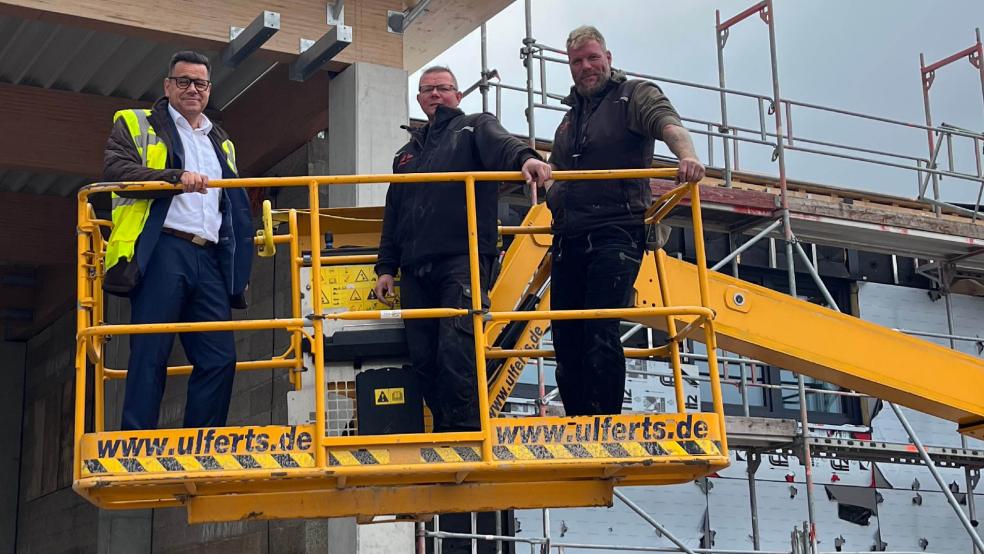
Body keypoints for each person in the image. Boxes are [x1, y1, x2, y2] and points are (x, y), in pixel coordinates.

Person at [373, 66, 552, 432]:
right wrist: (386, 268)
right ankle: (446, 431)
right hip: (415, 269)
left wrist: (526, 159)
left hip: (462, 260)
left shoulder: (474, 127)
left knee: (456, 350)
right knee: (423, 359)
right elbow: (394, 214)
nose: (435, 94)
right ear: (419, 99)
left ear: (457, 95)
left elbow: (503, 144)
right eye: (427, 89)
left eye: (442, 88)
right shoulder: (405, 155)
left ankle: (466, 436)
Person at [547, 26, 706, 417]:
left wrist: (687, 156)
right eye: (577, 61)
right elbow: (556, 168)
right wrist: (548, 188)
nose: (586, 66)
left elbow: (668, 123)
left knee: (600, 327)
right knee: (565, 337)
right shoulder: (569, 120)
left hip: (616, 229)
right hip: (569, 235)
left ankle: (603, 424)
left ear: (608, 57)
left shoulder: (633, 95)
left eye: (592, 57)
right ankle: (577, 423)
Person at [102, 51, 254, 430]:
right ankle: (136, 442)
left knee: (220, 358)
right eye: (183, 81)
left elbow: (231, 205)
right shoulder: (137, 123)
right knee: (150, 352)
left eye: (200, 83)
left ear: (209, 90)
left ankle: (201, 442)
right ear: (167, 86)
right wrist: (174, 177)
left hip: (209, 257)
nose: (192, 89)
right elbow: (117, 170)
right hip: (162, 250)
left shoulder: (221, 141)